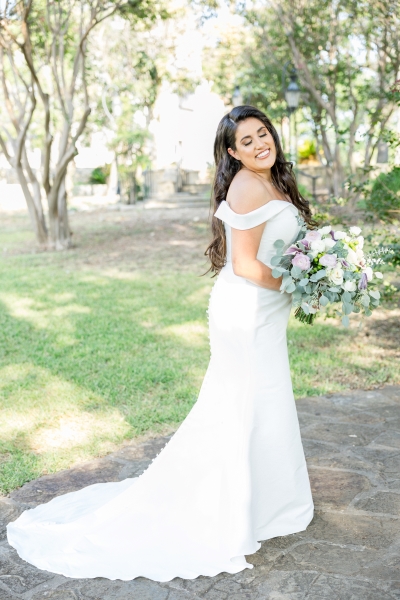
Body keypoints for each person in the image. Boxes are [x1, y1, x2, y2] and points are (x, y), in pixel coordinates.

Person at [7, 105, 314, 582]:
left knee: (264, 403)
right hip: (246, 313)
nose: (259, 144)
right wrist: (303, 284)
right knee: (243, 404)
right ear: (232, 153)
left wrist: (313, 269)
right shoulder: (248, 184)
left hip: (261, 314)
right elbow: (246, 265)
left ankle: (265, 503)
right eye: (247, 141)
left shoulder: (274, 179)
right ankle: (229, 508)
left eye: (263, 133)